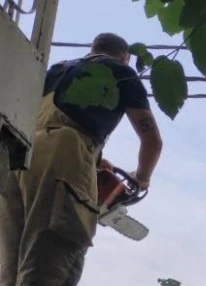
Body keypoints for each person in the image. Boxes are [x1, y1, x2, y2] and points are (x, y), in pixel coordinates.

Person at [0, 33, 163, 286]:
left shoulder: (58, 70)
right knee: (50, 261)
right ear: (126, 58)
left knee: (11, 267)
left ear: (92, 49)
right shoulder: (120, 72)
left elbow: (55, 119)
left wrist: (95, 159)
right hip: (62, 157)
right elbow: (152, 143)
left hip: (19, 155)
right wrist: (141, 179)